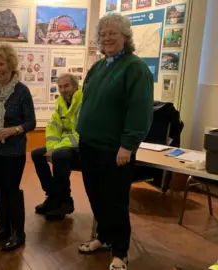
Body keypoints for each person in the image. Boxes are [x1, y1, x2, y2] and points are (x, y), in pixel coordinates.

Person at [76, 13, 154, 270]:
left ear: (125, 37)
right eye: (103, 34)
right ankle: (104, 238)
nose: (107, 38)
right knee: (96, 196)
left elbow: (139, 111)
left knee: (116, 201)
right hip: (89, 145)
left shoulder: (135, 68)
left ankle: (120, 252)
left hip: (114, 149)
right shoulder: (99, 67)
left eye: (113, 33)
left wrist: (128, 145)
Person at [0, 43, 36, 251]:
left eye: (1, 64)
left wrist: (12, 130)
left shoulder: (22, 92)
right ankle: (3, 228)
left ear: (11, 65)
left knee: (11, 190)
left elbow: (31, 123)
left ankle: (18, 233)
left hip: (14, 151)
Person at [31, 73, 82, 221]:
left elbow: (80, 133)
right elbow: (53, 127)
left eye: (67, 86)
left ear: (75, 86)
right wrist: (51, 147)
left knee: (59, 155)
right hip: (64, 145)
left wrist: (56, 148)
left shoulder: (83, 101)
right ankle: (53, 196)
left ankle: (64, 201)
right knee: (36, 154)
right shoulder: (60, 101)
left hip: (81, 147)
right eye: (60, 86)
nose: (63, 90)